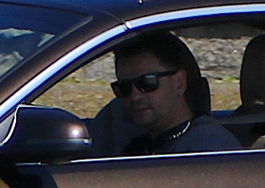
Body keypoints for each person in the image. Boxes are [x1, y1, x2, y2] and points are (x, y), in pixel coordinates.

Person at [95, 30, 240, 155]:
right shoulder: (138, 146)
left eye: (147, 82)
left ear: (179, 83)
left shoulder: (209, 150)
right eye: (124, 87)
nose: (135, 96)